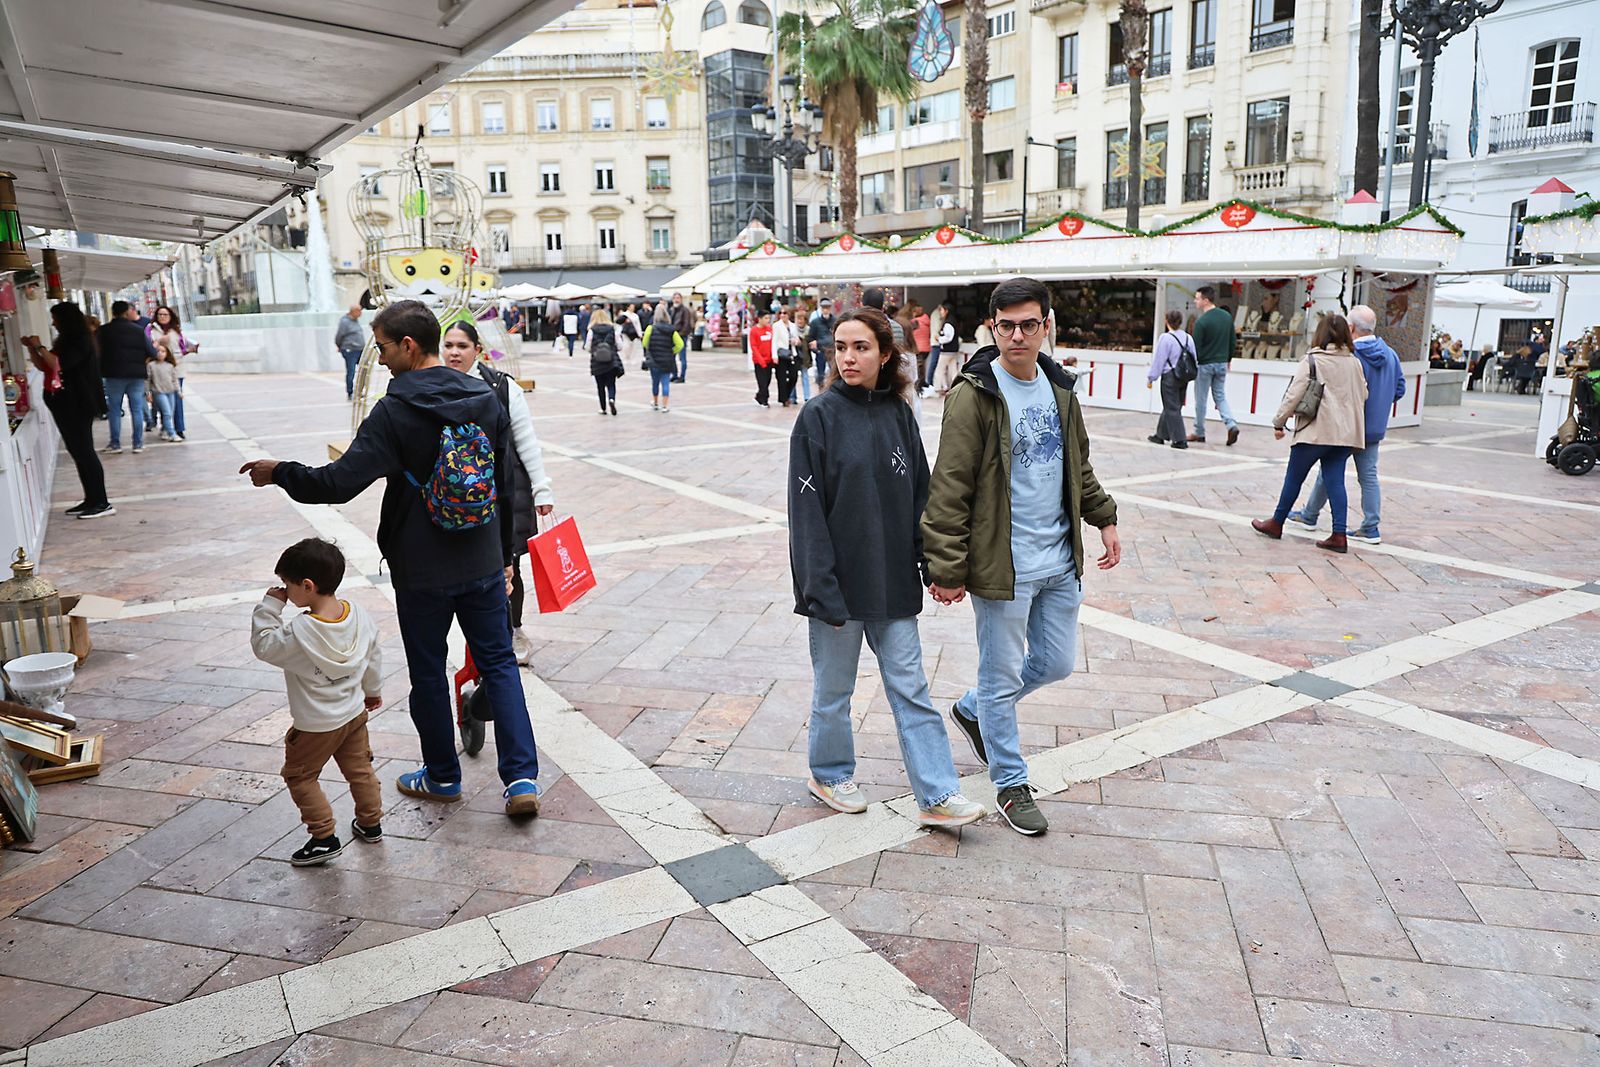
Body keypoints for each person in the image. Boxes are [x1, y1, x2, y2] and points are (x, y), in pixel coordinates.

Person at [238, 299, 543, 818]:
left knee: (427, 671)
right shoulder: (484, 395)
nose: (377, 358)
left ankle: (444, 776)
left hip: (421, 567)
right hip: (481, 558)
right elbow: (506, 480)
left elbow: (335, 484)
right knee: (498, 664)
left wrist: (278, 471)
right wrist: (507, 555)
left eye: (380, 347)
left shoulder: (395, 410)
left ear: (407, 345)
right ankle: (520, 781)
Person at [923, 277, 1121, 837]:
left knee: (1055, 662)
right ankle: (1010, 782)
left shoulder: (1059, 389)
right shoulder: (974, 395)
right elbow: (950, 487)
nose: (1017, 335)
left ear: (1045, 327)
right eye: (1006, 325)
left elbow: (1076, 465)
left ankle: (973, 707)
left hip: (1058, 561)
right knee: (1001, 671)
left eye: (1028, 324)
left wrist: (1103, 517)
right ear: (992, 327)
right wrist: (946, 566)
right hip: (1002, 567)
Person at [788, 307, 985, 830]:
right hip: (837, 587)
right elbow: (805, 514)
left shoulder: (899, 412)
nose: (848, 358)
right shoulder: (817, 417)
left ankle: (937, 793)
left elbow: (922, 495)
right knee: (834, 691)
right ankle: (828, 772)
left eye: (861, 348)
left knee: (911, 689)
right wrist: (819, 589)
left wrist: (936, 564)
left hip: (891, 579)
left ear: (886, 354)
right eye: (841, 347)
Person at [250, 538, 383, 867]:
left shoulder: (298, 634)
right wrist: (372, 690)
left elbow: (264, 645)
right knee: (360, 770)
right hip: (354, 714)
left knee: (300, 776)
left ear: (306, 586)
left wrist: (270, 607)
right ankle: (371, 823)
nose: (284, 590)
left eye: (287, 584)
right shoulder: (359, 615)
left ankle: (323, 837)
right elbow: (373, 655)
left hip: (315, 726)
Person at [441, 319, 558, 660]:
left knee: (509, 564)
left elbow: (526, 443)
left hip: (506, 492)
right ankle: (480, 634)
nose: (454, 352)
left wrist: (542, 490)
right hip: (455, 497)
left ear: (477, 350)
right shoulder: (433, 387)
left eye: (462, 346)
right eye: (448, 346)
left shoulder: (502, 388)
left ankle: (514, 628)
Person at [1252, 314, 1369, 554]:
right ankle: (1338, 534)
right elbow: (1364, 394)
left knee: (1294, 478)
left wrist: (1279, 421)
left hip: (1315, 430)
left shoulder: (1313, 360)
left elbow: (1294, 393)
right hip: (1344, 434)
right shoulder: (1354, 362)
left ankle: (1276, 522)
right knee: (1336, 481)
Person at [1286, 305, 1403, 545]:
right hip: (1374, 428)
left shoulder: (1351, 356)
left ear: (1350, 327)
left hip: (1346, 425)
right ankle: (1370, 526)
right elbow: (1400, 388)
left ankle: (1309, 515)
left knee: (1330, 471)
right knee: (1367, 476)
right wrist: (1381, 405)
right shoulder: (1391, 354)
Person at [23, 302, 112, 519]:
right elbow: (43, 365)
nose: (52, 323)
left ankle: (101, 501)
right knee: (77, 451)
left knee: (85, 451)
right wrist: (32, 348)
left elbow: (57, 364)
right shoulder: (66, 341)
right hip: (65, 403)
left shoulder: (80, 340)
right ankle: (91, 498)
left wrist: (38, 346)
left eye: (55, 319)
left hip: (77, 403)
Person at [97, 300, 157, 454]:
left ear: (113, 312)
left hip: (113, 375)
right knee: (136, 409)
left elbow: (96, 353)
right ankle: (137, 444)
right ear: (126, 312)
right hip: (136, 375)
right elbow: (152, 352)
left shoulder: (103, 331)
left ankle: (115, 444)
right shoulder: (138, 330)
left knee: (114, 410)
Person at [1189, 285, 1240, 446]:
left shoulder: (1202, 322)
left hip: (1205, 364)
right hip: (1222, 363)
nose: (1195, 301)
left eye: (1197, 298)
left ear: (1205, 300)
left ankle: (1199, 431)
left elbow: (1196, 348)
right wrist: (1228, 359)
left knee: (1201, 399)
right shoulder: (1226, 317)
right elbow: (1233, 340)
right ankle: (1231, 424)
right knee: (1220, 396)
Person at [1146, 309, 1193, 449]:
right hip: (1183, 376)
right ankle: (1160, 435)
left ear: (1167, 321)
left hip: (1170, 376)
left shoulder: (1165, 338)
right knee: (1174, 404)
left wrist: (1151, 377)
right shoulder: (1188, 338)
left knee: (1172, 407)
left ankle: (1180, 440)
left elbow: (1159, 360)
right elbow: (1194, 357)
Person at [146, 305, 194, 441]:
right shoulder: (151, 329)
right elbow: (147, 347)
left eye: (166, 314)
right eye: (160, 314)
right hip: (157, 371)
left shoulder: (176, 330)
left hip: (176, 369)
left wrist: (190, 349)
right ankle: (165, 428)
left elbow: (183, 348)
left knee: (176, 401)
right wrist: (159, 342)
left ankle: (179, 429)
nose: (163, 317)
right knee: (161, 404)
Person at [642, 305, 683, 412]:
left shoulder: (650, 328)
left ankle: (655, 402)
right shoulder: (672, 330)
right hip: (667, 360)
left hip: (654, 360)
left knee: (655, 382)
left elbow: (645, 343)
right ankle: (665, 405)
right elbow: (680, 344)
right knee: (665, 382)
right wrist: (672, 351)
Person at [587, 308, 623, 417]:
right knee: (611, 384)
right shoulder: (612, 329)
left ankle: (603, 408)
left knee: (600, 386)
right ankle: (611, 399)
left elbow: (587, 346)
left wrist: (593, 350)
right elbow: (620, 345)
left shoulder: (591, 330)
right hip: (611, 360)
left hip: (597, 361)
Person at [147, 342, 182, 442]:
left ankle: (164, 430)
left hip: (170, 392)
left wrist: (179, 391)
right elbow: (148, 380)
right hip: (158, 392)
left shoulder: (170, 366)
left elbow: (174, 380)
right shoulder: (151, 365)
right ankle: (172, 433)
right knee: (166, 412)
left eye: (163, 351)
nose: (160, 353)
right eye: (158, 351)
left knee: (169, 413)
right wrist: (148, 393)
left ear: (167, 353)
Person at [335, 306, 365, 401]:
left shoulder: (355, 320)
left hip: (359, 349)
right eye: (359, 311)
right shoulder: (345, 322)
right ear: (353, 311)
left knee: (363, 370)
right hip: (350, 350)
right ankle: (350, 392)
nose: (361, 313)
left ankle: (359, 391)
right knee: (351, 371)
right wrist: (340, 346)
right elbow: (339, 336)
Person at [807, 298, 836, 389]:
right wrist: (815, 349)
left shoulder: (835, 321)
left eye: (827, 307)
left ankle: (833, 389)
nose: (825, 310)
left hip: (832, 350)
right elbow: (810, 338)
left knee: (834, 372)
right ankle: (821, 388)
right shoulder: (815, 322)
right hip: (821, 351)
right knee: (820, 374)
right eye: (823, 308)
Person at [774, 309, 801, 407]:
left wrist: (796, 341)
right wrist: (774, 355)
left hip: (792, 353)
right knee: (781, 378)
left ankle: (787, 394)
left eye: (785, 313)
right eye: (780, 313)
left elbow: (797, 338)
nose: (782, 315)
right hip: (781, 354)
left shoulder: (793, 326)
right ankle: (784, 399)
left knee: (794, 376)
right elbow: (774, 341)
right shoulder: (776, 326)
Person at [750, 310, 775, 408]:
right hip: (759, 361)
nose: (767, 320)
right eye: (765, 318)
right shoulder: (754, 331)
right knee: (762, 382)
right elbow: (754, 346)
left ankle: (758, 397)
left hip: (769, 360)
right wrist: (761, 360)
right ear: (759, 319)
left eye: (768, 318)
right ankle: (764, 400)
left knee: (767, 380)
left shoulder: (769, 329)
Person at [931, 303, 957, 389]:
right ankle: (955, 388)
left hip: (947, 351)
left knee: (939, 370)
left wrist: (939, 339)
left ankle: (937, 389)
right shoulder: (953, 321)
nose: (940, 312)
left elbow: (948, 337)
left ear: (946, 311)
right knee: (953, 371)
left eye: (941, 310)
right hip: (953, 350)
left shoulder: (948, 323)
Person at [670, 293, 694, 381]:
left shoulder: (685, 310)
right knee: (672, 356)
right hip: (672, 336)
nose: (676, 300)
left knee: (682, 357)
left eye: (678, 298)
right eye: (675, 298)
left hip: (681, 336)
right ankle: (674, 374)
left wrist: (680, 334)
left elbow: (687, 324)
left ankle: (682, 376)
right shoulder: (672, 309)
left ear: (681, 299)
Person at [910, 302, 932, 382]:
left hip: (918, 348)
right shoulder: (927, 320)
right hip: (926, 348)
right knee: (922, 366)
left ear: (915, 312)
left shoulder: (914, 322)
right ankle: (922, 383)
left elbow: (910, 335)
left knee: (918, 368)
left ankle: (919, 385)